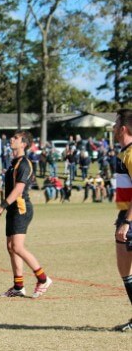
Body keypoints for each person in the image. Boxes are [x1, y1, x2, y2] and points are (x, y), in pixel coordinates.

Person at [0, 130, 52, 299]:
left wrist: (1, 207)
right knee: (11, 248)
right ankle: (18, 286)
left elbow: (19, 189)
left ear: (23, 144)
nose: (12, 139)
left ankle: (43, 279)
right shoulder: (13, 163)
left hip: (21, 209)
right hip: (12, 209)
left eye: (16, 138)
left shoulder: (24, 163)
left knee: (17, 247)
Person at [112, 109, 132, 332]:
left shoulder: (131, 154)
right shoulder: (124, 152)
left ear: (124, 129)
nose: (113, 128)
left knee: (126, 269)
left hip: (130, 219)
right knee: (124, 269)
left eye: (116, 124)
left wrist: (127, 222)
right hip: (125, 215)